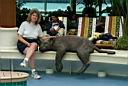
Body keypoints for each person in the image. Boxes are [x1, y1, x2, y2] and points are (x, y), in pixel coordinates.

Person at [17, 8, 48, 79]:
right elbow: (19, 37)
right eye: (33, 15)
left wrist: (47, 37)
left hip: (33, 42)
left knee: (34, 44)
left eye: (36, 16)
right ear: (30, 16)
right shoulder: (24, 24)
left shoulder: (38, 26)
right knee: (32, 52)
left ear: (38, 18)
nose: (35, 17)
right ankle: (33, 72)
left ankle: (25, 60)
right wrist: (27, 43)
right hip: (23, 42)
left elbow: (41, 37)